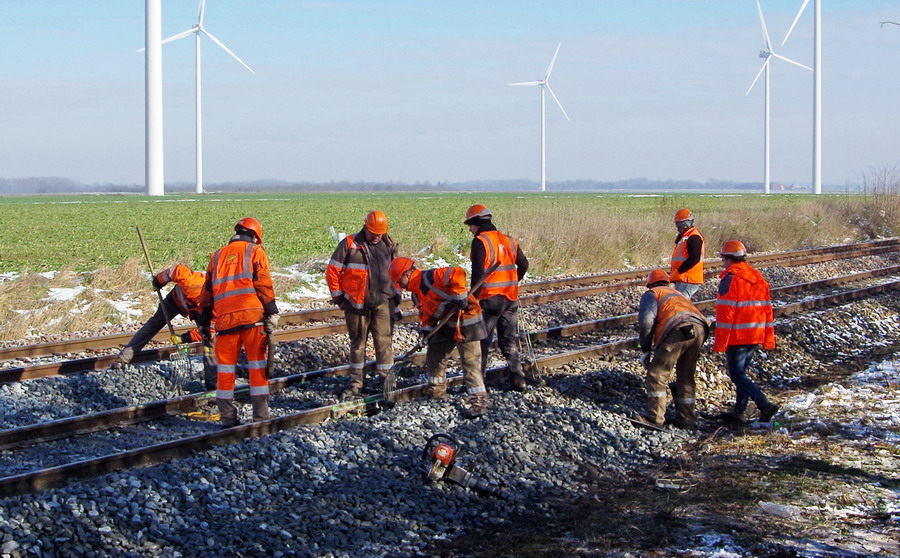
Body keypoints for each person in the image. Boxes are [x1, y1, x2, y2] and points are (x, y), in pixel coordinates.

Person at [197, 217, 279, 427]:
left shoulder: (217, 256)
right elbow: (263, 284)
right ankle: (260, 417)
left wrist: (204, 321)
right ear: (255, 236)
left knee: (225, 371)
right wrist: (272, 311)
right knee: (257, 367)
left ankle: (227, 418)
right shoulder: (254, 251)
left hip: (225, 322)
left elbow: (206, 293)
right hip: (252, 319)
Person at [389, 257, 490, 418]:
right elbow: (427, 315)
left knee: (470, 361)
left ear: (407, 274)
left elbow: (457, 272)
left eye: (400, 281)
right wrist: (425, 332)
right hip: (447, 323)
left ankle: (479, 401)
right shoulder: (416, 294)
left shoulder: (432, 277)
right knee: (435, 354)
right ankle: (437, 393)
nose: (400, 286)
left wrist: (459, 295)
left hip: (466, 320)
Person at [326, 210, 399, 398]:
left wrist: (396, 299)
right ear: (365, 227)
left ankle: (386, 384)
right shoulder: (350, 244)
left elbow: (398, 274)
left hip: (383, 303)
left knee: (384, 344)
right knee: (358, 345)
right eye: (374, 233)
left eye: (380, 233)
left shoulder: (389, 245)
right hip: (356, 305)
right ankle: (356, 384)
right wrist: (340, 298)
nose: (377, 236)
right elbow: (333, 271)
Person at [115, 264, 217, 391]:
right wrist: (159, 281)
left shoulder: (217, 308)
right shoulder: (193, 283)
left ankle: (213, 385)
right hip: (174, 301)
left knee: (210, 342)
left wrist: (184, 338)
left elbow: (210, 331)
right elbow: (176, 270)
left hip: (196, 313)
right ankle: (123, 358)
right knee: (155, 323)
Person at [464, 204, 530, 391]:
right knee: (508, 340)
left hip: (490, 300)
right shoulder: (509, 240)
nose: (470, 229)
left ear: (476, 223)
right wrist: (514, 282)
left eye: (470, 225)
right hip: (510, 298)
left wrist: (472, 300)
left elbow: (478, 275)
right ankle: (518, 379)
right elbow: (524, 264)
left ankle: (479, 383)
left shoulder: (480, 241)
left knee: (482, 342)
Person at [713, 240, 780, 423]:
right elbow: (767, 309)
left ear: (730, 259)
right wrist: (767, 335)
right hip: (755, 333)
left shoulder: (731, 278)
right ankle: (739, 411)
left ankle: (764, 405)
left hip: (737, 335)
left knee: (736, 375)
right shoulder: (757, 277)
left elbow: (726, 312)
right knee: (741, 374)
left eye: (723, 259)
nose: (722, 262)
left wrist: (720, 342)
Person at [637, 269, 709, 429]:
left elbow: (646, 322)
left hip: (679, 329)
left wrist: (646, 348)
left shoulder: (653, 293)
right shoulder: (677, 293)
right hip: (700, 329)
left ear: (650, 284)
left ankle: (655, 419)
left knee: (657, 374)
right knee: (686, 375)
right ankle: (687, 419)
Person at [669, 208, 705, 300]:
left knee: (680, 303)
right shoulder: (685, 236)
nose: (678, 228)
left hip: (688, 279)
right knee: (679, 303)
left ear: (688, 223)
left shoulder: (694, 237)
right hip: (683, 278)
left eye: (681, 225)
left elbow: (695, 258)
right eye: (677, 225)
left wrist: (680, 270)